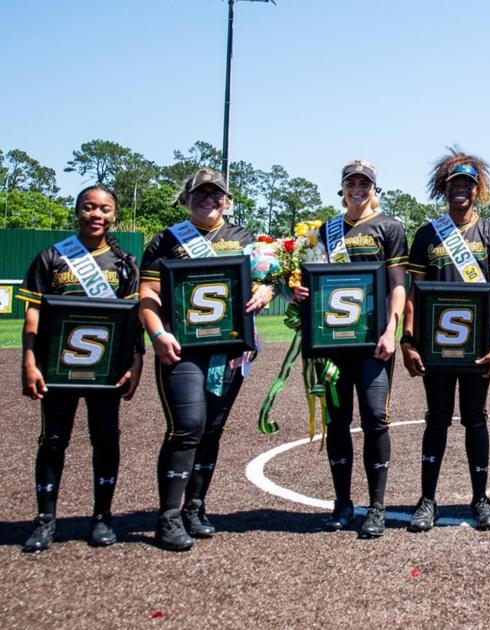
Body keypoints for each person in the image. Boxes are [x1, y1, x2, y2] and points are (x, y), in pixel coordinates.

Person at [139, 168, 275, 551]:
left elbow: (266, 279)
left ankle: (195, 507)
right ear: (187, 198)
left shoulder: (244, 238)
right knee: (187, 426)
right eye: (201, 193)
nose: (209, 199)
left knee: (212, 429)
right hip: (181, 349)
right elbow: (147, 293)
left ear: (227, 201)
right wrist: (157, 334)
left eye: (216, 193)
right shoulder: (167, 239)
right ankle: (168, 516)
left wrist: (266, 290)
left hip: (228, 351)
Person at [17, 186, 144, 552]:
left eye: (104, 209)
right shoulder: (51, 257)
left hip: (106, 370)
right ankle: (45, 519)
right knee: (53, 440)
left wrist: (136, 362)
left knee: (105, 439)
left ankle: (102, 516)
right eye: (89, 207)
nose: (96, 215)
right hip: (58, 368)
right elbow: (33, 315)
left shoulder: (124, 263)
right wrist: (29, 361)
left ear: (114, 215)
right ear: (77, 210)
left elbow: (133, 322)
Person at [290, 160, 408, 538]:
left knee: (375, 418)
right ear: (342, 189)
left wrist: (391, 329)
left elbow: (398, 284)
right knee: (337, 422)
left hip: (374, 343)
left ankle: (376, 506)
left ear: (375, 188)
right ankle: (342, 503)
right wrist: (297, 291)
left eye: (364, 184)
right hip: (334, 343)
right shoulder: (325, 231)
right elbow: (310, 280)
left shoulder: (390, 228)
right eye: (351, 183)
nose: (358, 189)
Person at [401, 149, 490, 532]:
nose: (460, 189)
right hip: (435, 346)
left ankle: (480, 498)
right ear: (443, 188)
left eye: (467, 183)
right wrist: (408, 341)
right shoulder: (427, 234)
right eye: (454, 183)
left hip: (477, 347)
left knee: (475, 418)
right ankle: (427, 500)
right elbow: (413, 293)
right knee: (437, 418)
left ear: (477, 189)